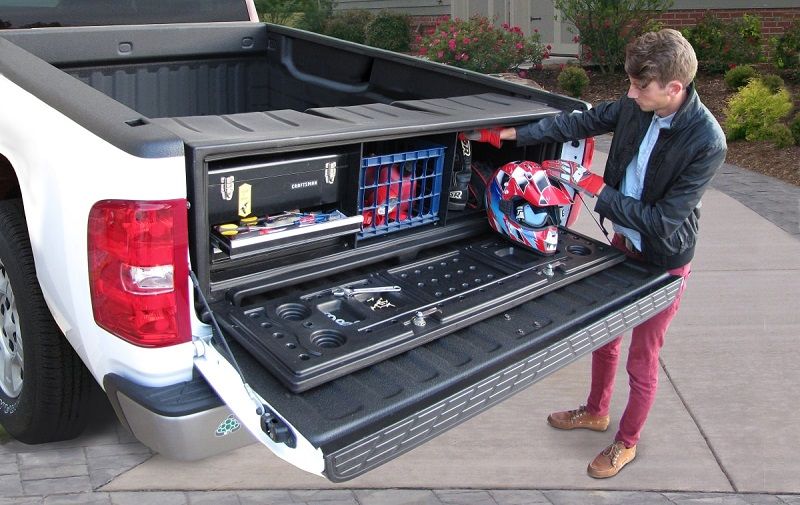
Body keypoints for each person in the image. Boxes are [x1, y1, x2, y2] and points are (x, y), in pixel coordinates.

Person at [465, 28, 727, 478]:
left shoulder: (706, 142)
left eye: (639, 86)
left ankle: (626, 442)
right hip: (624, 244)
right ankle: (595, 411)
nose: (629, 94)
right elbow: (573, 123)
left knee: (642, 359)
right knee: (605, 336)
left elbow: (663, 221)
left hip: (664, 259)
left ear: (674, 88)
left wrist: (594, 188)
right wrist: (506, 133)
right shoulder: (635, 107)